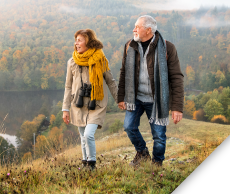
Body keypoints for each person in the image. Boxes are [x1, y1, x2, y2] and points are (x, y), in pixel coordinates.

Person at [117, 15, 184, 167]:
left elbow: (177, 78)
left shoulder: (168, 48)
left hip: (157, 100)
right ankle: (142, 153)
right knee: (129, 127)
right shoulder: (129, 46)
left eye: (137, 27)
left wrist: (177, 107)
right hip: (136, 97)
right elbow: (123, 72)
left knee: (159, 136)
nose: (134, 29)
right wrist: (121, 96)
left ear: (148, 30)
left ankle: (157, 163)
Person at [62, 29, 118, 170]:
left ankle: (92, 164)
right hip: (78, 104)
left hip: (96, 103)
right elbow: (68, 86)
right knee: (82, 136)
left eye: (80, 40)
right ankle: (85, 162)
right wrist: (65, 108)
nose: (76, 43)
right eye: (76, 40)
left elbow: (111, 81)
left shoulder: (100, 60)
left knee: (88, 134)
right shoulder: (72, 62)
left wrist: (119, 100)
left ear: (88, 42)